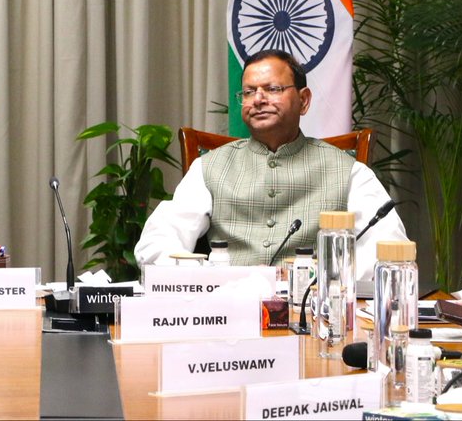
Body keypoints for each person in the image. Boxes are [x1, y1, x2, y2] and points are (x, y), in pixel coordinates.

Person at [134, 49, 407, 280]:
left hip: (312, 315)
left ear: (304, 100)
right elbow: (157, 244)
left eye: (273, 89)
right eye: (249, 92)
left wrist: (322, 280)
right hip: (229, 312)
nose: (259, 99)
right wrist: (213, 277)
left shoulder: (349, 171)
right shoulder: (208, 168)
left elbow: (389, 249)